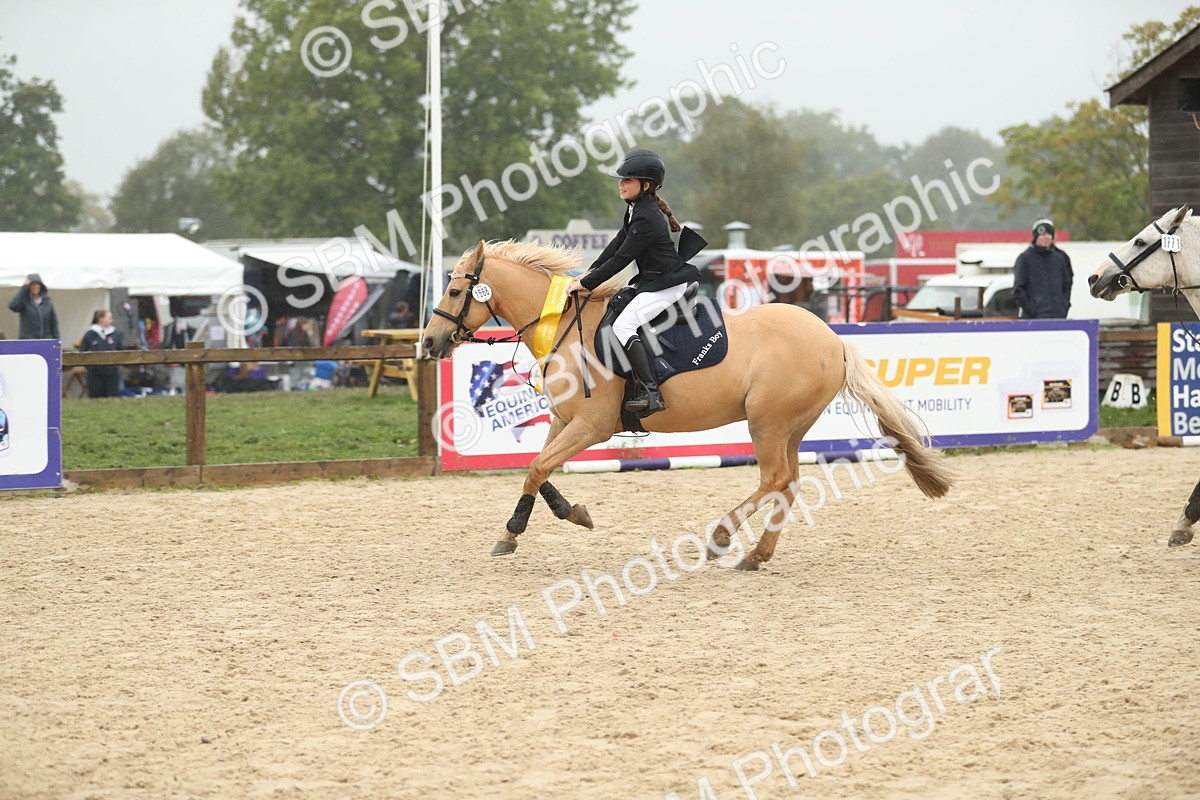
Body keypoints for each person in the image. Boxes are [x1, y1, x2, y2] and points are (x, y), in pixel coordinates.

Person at [567, 148, 702, 418]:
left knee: (624, 324)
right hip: (652, 281)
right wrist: (586, 274)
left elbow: (622, 259)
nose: (621, 183)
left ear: (646, 185)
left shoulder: (647, 217)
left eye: (627, 180)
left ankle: (651, 392)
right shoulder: (634, 210)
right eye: (621, 179)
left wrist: (587, 284)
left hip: (666, 285)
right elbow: (616, 245)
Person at [1013, 218, 1073, 319]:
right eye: (1042, 234)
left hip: (1058, 316)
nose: (1046, 237)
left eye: (1049, 234)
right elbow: (1018, 289)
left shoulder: (1059, 258)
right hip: (1034, 319)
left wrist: (1063, 306)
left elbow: (1067, 285)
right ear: (1036, 236)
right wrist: (1032, 310)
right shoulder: (1024, 258)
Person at [79, 309, 125, 398]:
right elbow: (82, 353)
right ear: (101, 319)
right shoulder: (90, 334)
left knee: (112, 398)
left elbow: (121, 350)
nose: (112, 321)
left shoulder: (115, 334)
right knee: (96, 398)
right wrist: (90, 367)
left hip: (112, 373)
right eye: (109, 318)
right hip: (95, 374)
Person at [7, 274, 60, 340]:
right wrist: (24, 288)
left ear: (40, 286)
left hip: (46, 340)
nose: (35, 287)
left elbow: (53, 323)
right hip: (28, 341)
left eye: (37, 284)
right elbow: (13, 306)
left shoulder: (47, 302)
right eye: (32, 284)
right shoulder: (24, 301)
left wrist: (57, 341)